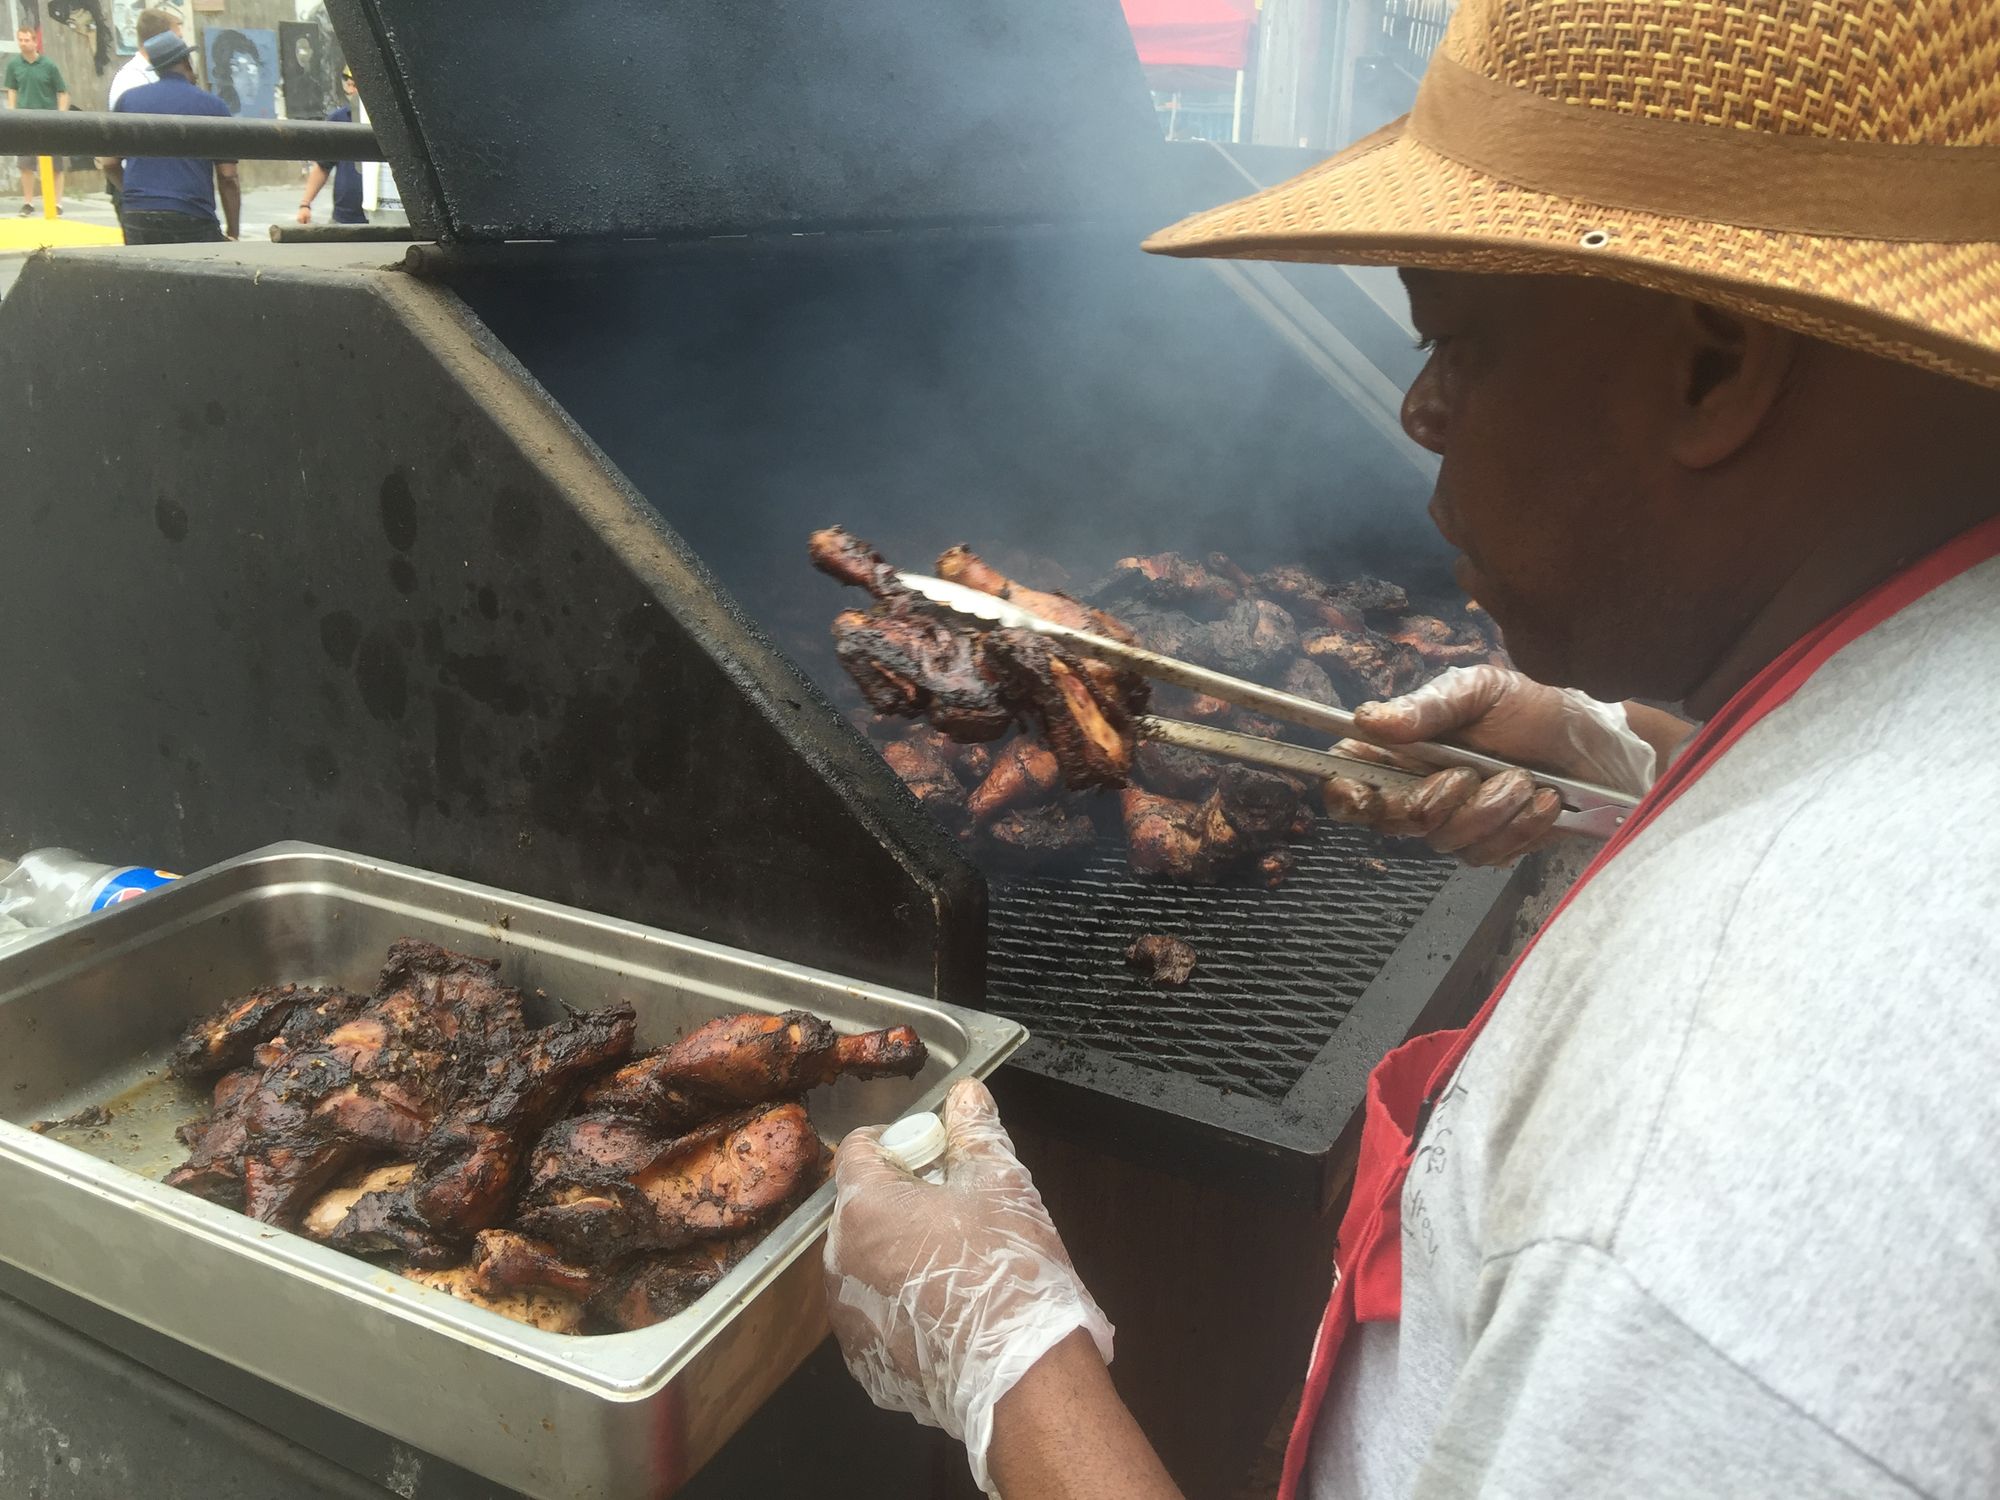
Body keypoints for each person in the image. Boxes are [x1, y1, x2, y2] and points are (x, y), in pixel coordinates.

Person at [821, 0, 2000, 1497]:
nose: (1415, 409)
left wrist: (1007, 1365)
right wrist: (1614, 757)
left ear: (1715, 369)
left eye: (1453, 340)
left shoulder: (1709, 1180)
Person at [113, 30, 238, 245]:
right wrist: (233, 231)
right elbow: (228, 177)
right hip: (191, 215)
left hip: (137, 215)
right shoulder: (212, 106)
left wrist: (138, 196)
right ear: (187, 62)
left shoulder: (128, 101)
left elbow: (108, 163)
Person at [99, 7, 184, 218]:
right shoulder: (132, 79)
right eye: (178, 38)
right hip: (138, 182)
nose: (182, 45)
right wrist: (134, 193)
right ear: (162, 40)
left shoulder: (156, 73)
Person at [5, 25, 70, 216]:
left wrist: (61, 115)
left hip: (48, 120)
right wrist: (12, 111)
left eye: (27, 40)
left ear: (35, 42)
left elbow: (63, 92)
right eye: (21, 40)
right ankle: (28, 202)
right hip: (24, 120)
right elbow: (12, 89)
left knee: (55, 165)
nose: (23, 43)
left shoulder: (48, 65)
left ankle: (57, 203)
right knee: (25, 164)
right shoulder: (14, 65)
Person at [296, 67, 366, 227]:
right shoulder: (339, 119)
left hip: (390, 214)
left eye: (357, 85)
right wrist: (305, 204)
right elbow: (322, 167)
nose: (353, 90)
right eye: (350, 84)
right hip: (346, 219)